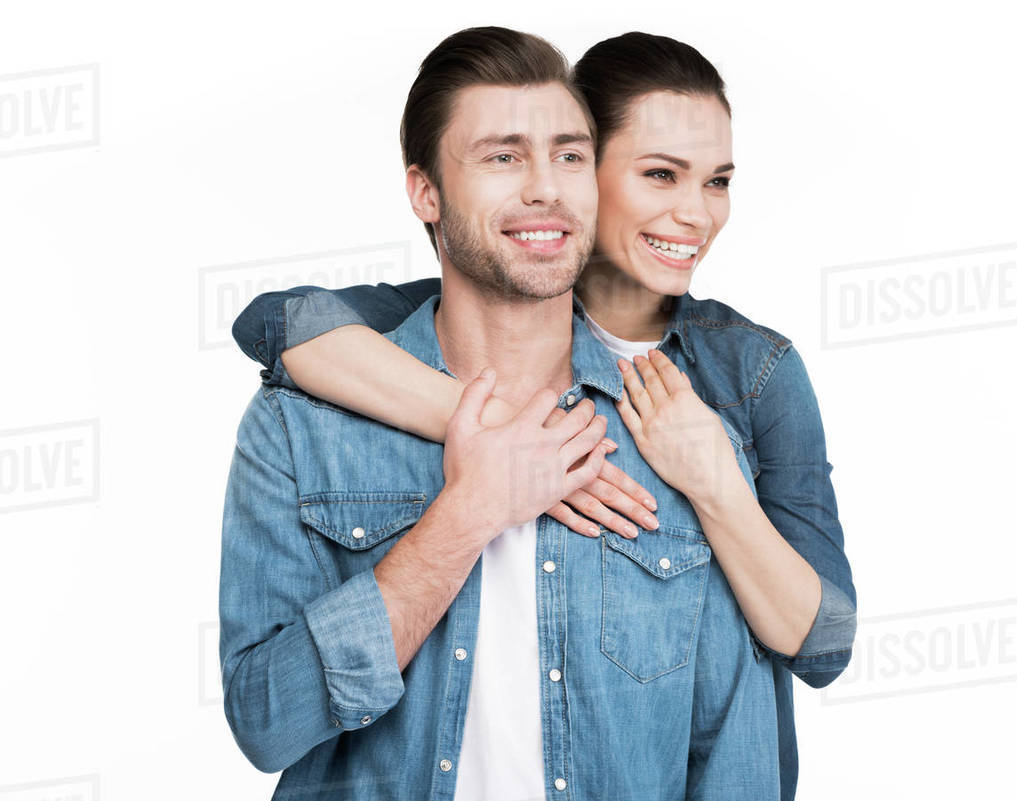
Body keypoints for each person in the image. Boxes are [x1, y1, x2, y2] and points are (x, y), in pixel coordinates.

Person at [233, 30, 858, 801]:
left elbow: (768, 702)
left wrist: (719, 488)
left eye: (567, 155)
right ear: (425, 191)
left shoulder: (703, 410)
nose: (693, 213)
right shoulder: (312, 410)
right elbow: (264, 720)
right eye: (503, 156)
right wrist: (471, 500)